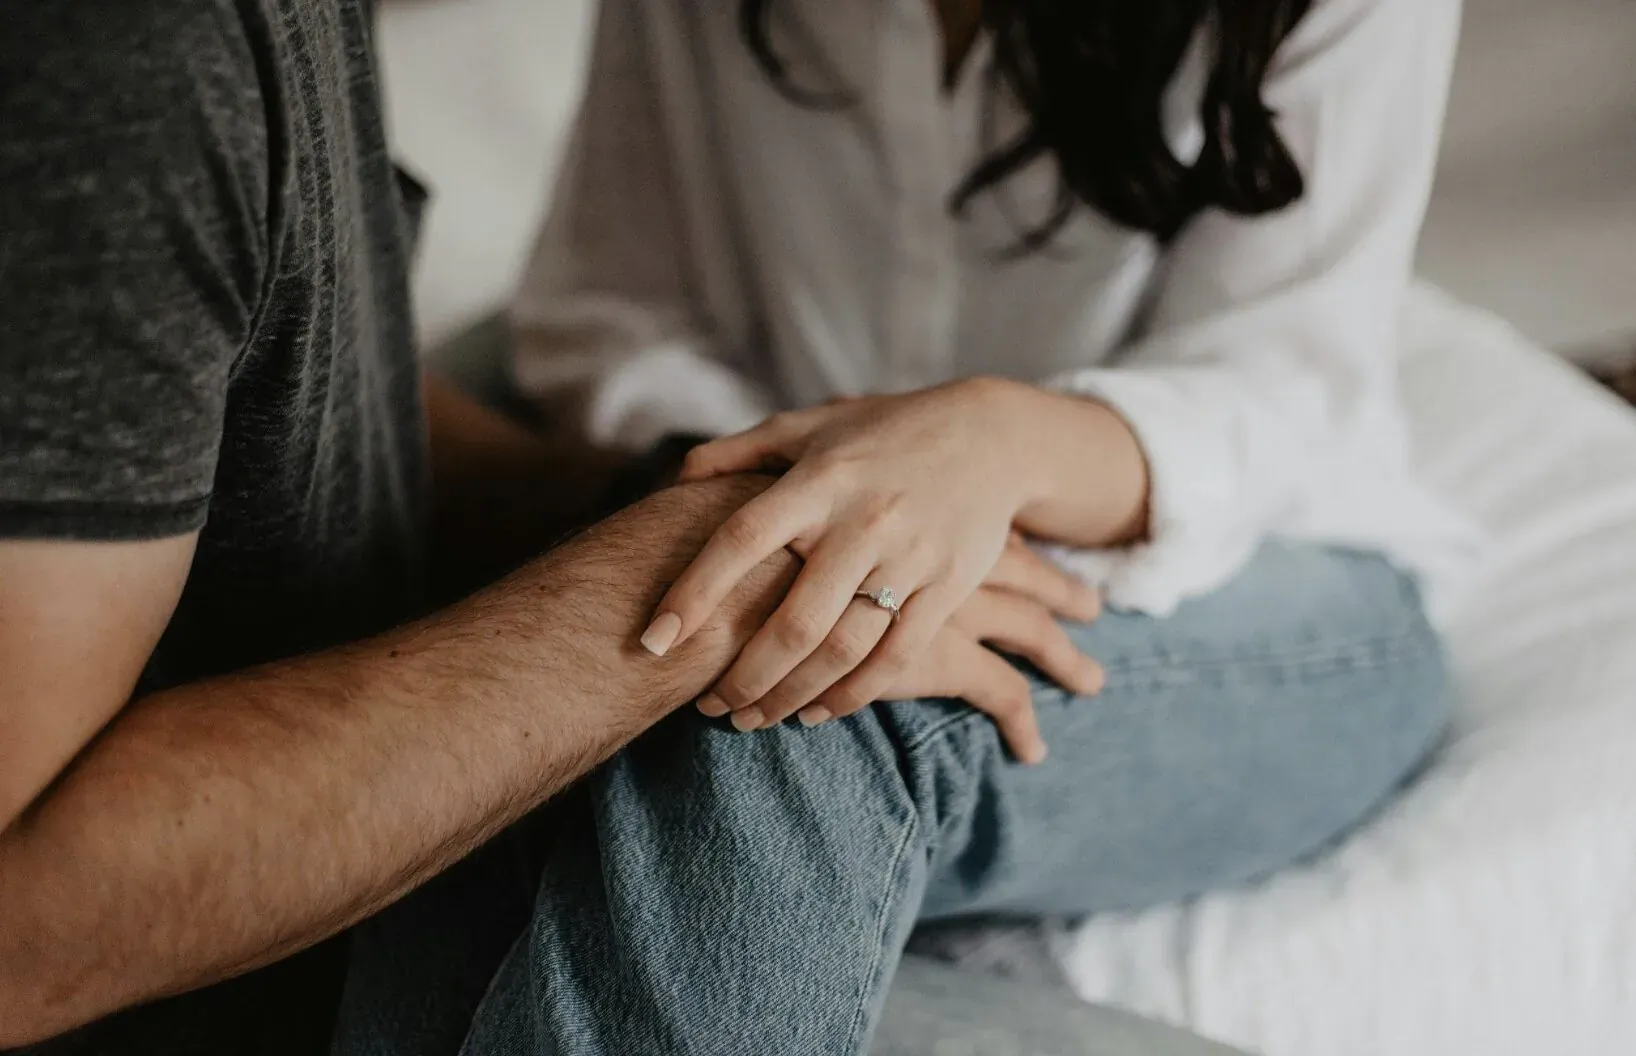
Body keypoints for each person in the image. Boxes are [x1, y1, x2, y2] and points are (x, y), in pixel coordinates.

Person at [0, 2, 1095, 1051]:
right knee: (803, 693)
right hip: (208, 971)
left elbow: (274, 388)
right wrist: (696, 571)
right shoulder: (120, 56)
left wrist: (657, 499)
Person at [406, 0, 1473, 1051]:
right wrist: (810, 504)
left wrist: (991, 447)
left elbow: (1286, 389)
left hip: (1244, 552)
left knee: (808, 685)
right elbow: (613, 305)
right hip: (749, 456)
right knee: (544, 604)